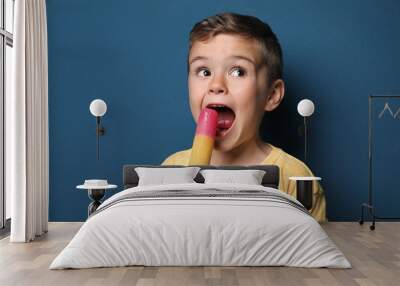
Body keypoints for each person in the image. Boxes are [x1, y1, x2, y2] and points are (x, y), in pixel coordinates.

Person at [161, 12, 326, 222]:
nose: (216, 85)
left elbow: (313, 249)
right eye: (203, 71)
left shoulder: (294, 177)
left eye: (238, 71)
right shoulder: (171, 169)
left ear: (271, 95)